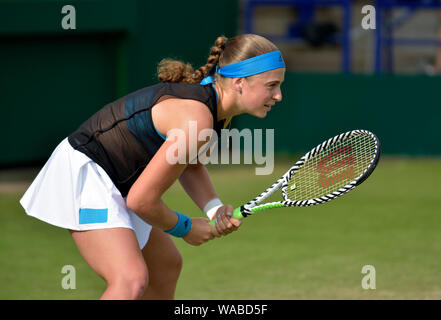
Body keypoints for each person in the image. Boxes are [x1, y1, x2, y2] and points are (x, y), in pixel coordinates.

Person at [20, 33, 286, 300]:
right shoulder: (198, 118)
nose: (278, 95)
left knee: (165, 267)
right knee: (130, 280)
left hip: (118, 179)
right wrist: (185, 228)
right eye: (272, 85)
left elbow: (190, 166)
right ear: (240, 82)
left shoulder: (216, 112)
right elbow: (142, 200)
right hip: (86, 171)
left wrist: (213, 209)